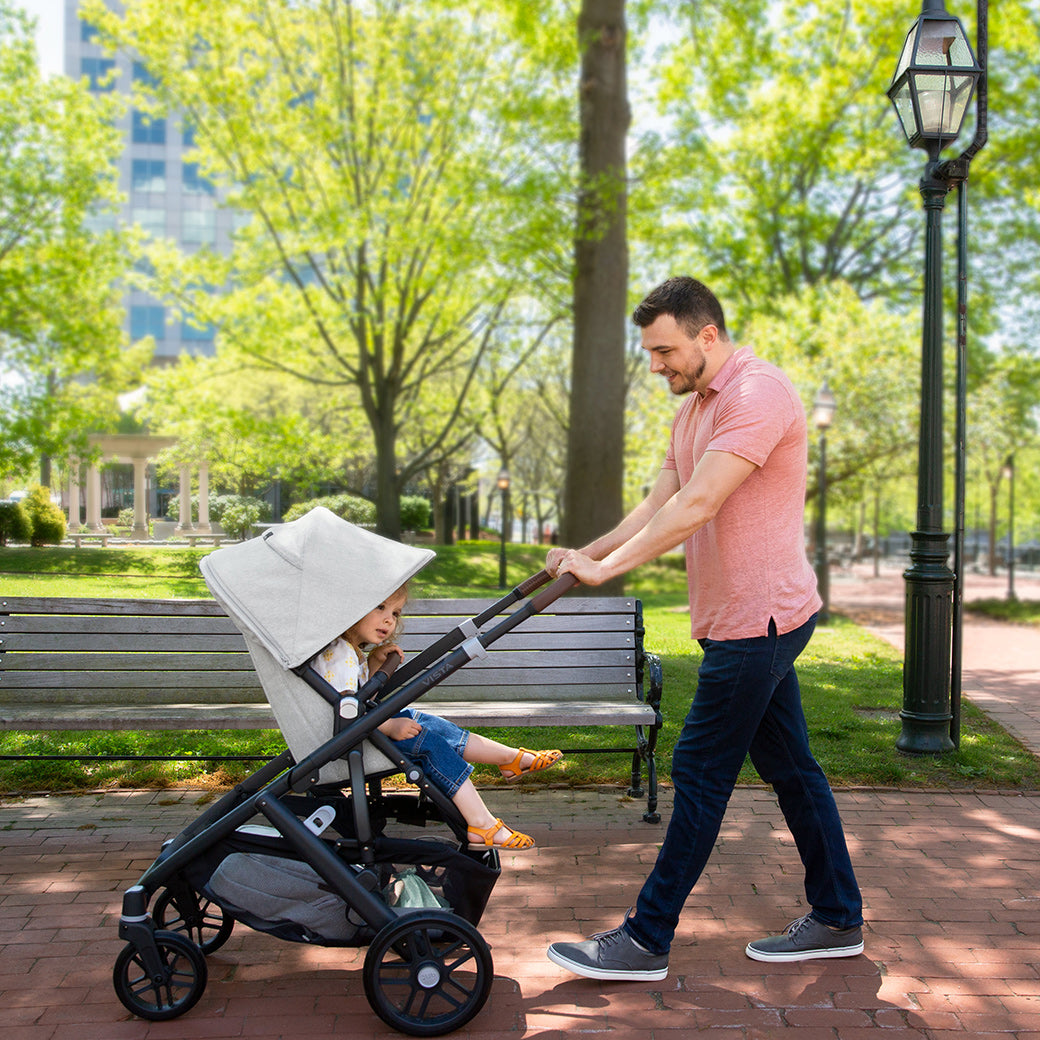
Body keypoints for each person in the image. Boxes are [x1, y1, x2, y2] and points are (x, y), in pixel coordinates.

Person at [544, 276, 863, 980]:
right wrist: (588, 554)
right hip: (736, 621)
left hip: (762, 620)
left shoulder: (757, 394)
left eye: (664, 351)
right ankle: (839, 914)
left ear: (707, 336)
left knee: (698, 769)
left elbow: (700, 503)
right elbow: (659, 500)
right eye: (650, 353)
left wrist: (609, 570)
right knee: (791, 768)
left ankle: (646, 938)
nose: (655, 365)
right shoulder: (692, 412)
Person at [310, 584, 562, 851]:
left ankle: (509, 759)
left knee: (423, 722)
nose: (389, 619)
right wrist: (388, 726)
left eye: (395, 612)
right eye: (380, 607)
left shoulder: (347, 652)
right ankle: (482, 824)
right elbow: (346, 711)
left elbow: (356, 698)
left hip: (355, 735)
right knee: (431, 746)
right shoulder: (340, 655)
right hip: (345, 743)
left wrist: (372, 666)